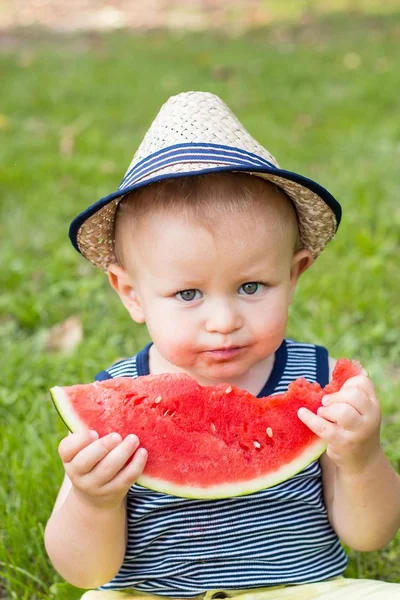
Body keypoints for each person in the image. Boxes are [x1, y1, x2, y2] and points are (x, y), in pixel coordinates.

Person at [45, 92, 400, 599]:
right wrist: (93, 500)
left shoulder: (319, 383)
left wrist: (362, 459)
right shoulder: (115, 396)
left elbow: (369, 534)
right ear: (131, 293)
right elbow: (86, 573)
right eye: (188, 294)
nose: (224, 321)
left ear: (294, 274)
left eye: (251, 287)